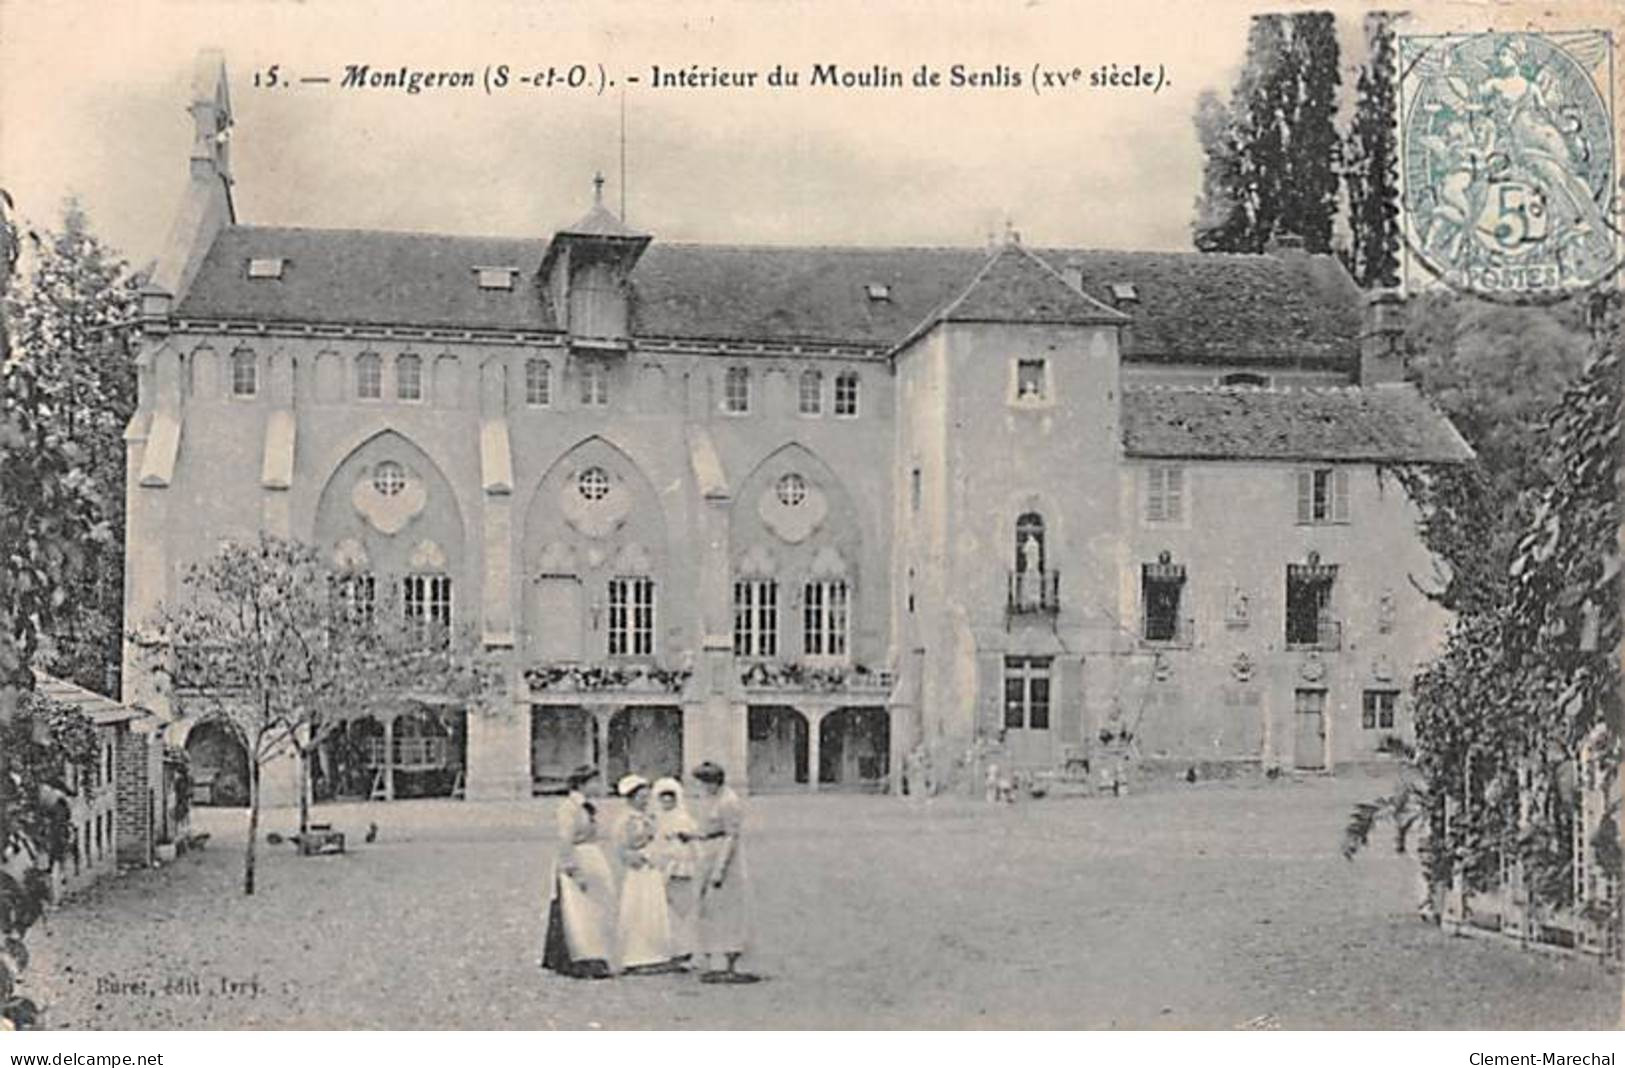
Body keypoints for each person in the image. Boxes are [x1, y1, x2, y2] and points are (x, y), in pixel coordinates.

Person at [540, 765, 615, 979]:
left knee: (594, 910)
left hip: (592, 859)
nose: (597, 786)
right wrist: (573, 869)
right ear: (582, 784)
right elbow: (565, 840)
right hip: (578, 860)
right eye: (594, 782)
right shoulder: (569, 808)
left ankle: (596, 953)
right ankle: (581, 957)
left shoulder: (587, 807)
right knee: (578, 910)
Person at [691, 761, 759, 983]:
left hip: (724, 854)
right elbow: (704, 827)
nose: (702, 787)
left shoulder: (729, 801)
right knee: (707, 906)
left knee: (727, 906)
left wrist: (720, 869)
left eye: (705, 783)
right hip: (707, 851)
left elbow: (731, 835)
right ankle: (711, 957)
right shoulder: (708, 799)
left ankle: (730, 960)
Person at [613, 774, 673, 974]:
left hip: (652, 868)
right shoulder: (626, 820)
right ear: (631, 798)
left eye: (647, 797)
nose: (645, 801)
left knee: (653, 909)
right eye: (641, 797)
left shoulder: (650, 817)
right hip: (638, 869)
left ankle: (656, 953)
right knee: (637, 909)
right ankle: (635, 956)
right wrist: (635, 857)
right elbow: (620, 848)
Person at [651, 776, 700, 967]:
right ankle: (669, 947)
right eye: (662, 798)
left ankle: (685, 949)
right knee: (664, 906)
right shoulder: (654, 819)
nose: (666, 802)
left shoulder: (684, 819)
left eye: (670, 798)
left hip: (679, 865)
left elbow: (693, 843)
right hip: (660, 864)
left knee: (682, 907)